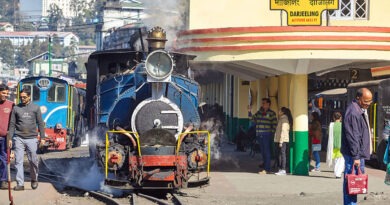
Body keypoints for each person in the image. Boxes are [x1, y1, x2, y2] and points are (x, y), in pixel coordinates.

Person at [7, 88, 45, 191]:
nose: (22, 99)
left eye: (24, 97)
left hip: (32, 138)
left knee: (33, 160)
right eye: (21, 97)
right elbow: (12, 124)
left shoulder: (35, 108)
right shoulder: (16, 108)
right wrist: (10, 138)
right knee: (18, 161)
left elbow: (40, 123)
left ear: (29, 96)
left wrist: (42, 138)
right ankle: (20, 184)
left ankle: (34, 179)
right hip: (18, 137)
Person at [341, 88, 372, 205]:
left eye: (370, 101)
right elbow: (353, 137)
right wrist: (356, 156)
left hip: (355, 153)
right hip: (353, 154)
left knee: (353, 183)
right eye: (366, 101)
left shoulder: (358, 109)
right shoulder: (353, 112)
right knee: (352, 182)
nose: (368, 103)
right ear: (358, 98)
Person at [248, 98, 277, 174]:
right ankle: (265, 165)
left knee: (267, 151)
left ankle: (267, 169)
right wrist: (249, 111)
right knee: (263, 151)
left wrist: (272, 134)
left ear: (268, 104)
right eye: (262, 103)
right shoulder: (259, 113)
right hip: (259, 134)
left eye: (264, 103)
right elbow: (252, 119)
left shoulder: (272, 113)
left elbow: (274, 125)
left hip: (267, 135)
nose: (262, 104)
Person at [0, 84, 14, 189]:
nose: (6, 95)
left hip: (5, 138)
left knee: (4, 159)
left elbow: (14, 123)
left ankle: (3, 180)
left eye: (7, 93)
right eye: (3, 93)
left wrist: (11, 138)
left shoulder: (11, 105)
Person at [274, 107, 293, 176]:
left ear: (282, 112)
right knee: (280, 154)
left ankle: (283, 169)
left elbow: (284, 131)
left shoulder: (284, 119)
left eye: (279, 110)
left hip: (282, 140)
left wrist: (281, 141)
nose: (278, 111)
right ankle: (280, 169)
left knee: (282, 154)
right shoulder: (281, 119)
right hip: (279, 139)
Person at [326, 112, 344, 178]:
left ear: (334, 118)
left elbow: (328, 133)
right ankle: (338, 173)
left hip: (333, 145)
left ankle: (336, 172)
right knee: (341, 160)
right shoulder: (342, 126)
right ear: (340, 118)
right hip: (341, 145)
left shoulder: (331, 125)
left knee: (335, 160)